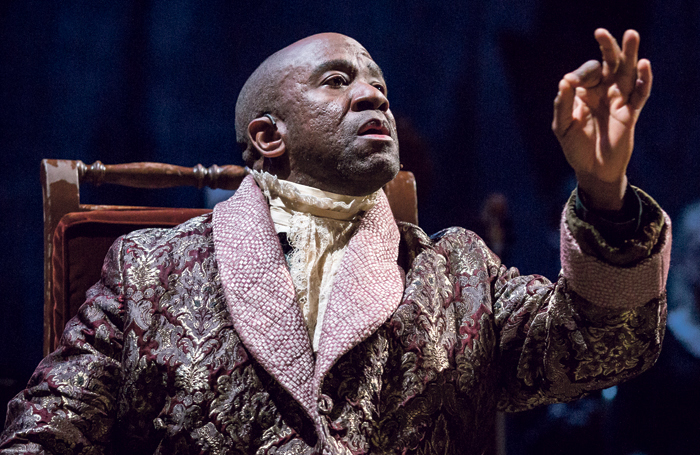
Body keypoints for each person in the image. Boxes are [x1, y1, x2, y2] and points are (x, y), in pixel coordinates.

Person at [1, 29, 670, 454]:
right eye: (338, 81)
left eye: (378, 84)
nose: (373, 96)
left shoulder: (455, 268)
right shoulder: (153, 271)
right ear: (269, 136)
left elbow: (598, 348)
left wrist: (603, 189)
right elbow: (45, 430)